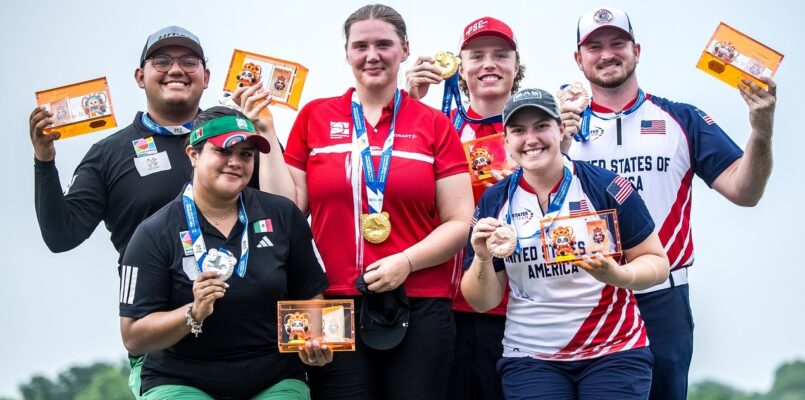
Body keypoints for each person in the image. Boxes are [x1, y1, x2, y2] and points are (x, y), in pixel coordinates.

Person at [258, 4, 473, 399]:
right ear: (346, 53)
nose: (371, 55)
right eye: (360, 46)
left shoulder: (435, 125)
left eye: (383, 44)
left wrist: (405, 262)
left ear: (404, 49)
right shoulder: (314, 117)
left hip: (419, 300)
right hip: (330, 300)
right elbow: (285, 211)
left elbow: (460, 223)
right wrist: (268, 134)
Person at [562, 7, 777, 399]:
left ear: (637, 50)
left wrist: (761, 132)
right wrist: (558, 141)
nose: (607, 53)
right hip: (583, 295)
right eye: (594, 46)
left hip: (661, 295)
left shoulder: (682, 118)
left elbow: (745, 192)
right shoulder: (558, 127)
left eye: (617, 43)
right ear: (579, 59)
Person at [462, 88, 670, 399]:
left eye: (541, 126)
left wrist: (620, 276)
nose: (531, 139)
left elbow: (657, 263)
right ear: (507, 142)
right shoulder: (495, 200)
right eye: (518, 130)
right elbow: (482, 301)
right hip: (531, 355)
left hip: (612, 348)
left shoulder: (607, 187)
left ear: (561, 129)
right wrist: (480, 259)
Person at [119, 108, 331, 400]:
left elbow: (310, 293)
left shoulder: (282, 214)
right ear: (193, 154)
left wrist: (313, 341)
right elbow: (133, 337)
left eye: (246, 154)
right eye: (222, 151)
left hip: (273, 376)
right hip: (182, 378)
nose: (236, 163)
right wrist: (192, 313)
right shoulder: (154, 232)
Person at [405, 16, 524, 400]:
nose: (489, 64)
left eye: (500, 55)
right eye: (476, 56)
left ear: (516, 66)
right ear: (459, 66)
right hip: (443, 302)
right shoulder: (438, 126)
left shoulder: (538, 130)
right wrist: (409, 100)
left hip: (519, 307)